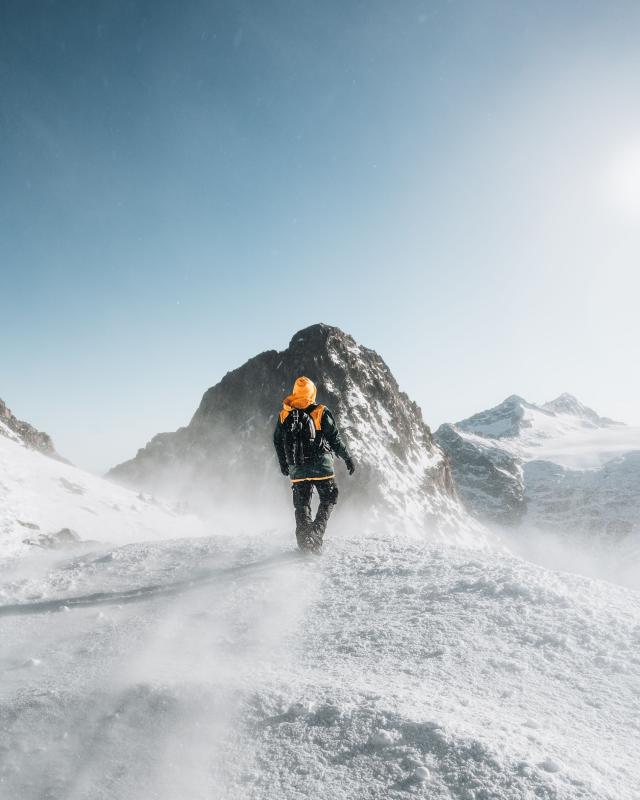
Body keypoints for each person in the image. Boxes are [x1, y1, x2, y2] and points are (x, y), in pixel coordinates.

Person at [273, 376, 355, 552]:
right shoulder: (320, 412)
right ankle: (315, 535)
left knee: (301, 505)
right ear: (312, 392)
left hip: (297, 470)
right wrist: (347, 458)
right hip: (322, 468)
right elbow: (335, 439)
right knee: (329, 497)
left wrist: (284, 463)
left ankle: (304, 542)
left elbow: (278, 441)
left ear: (295, 392)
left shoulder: (285, 415)